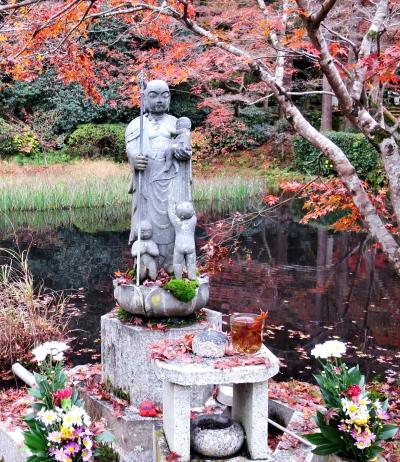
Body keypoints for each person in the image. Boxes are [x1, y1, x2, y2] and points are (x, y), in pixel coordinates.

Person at [125, 80, 192, 274]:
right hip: (147, 179)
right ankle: (146, 263)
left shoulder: (174, 122)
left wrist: (183, 152)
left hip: (172, 180)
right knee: (147, 222)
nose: (160, 100)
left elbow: (184, 144)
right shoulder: (137, 124)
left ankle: (173, 263)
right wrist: (134, 159)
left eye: (165, 95)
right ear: (144, 98)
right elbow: (131, 148)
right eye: (153, 95)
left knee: (173, 219)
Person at [168, 201, 197, 280]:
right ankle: (192, 277)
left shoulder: (177, 223)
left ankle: (178, 278)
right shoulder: (193, 221)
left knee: (177, 263)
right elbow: (193, 213)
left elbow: (171, 214)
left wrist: (172, 205)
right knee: (191, 263)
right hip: (190, 246)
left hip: (179, 246)